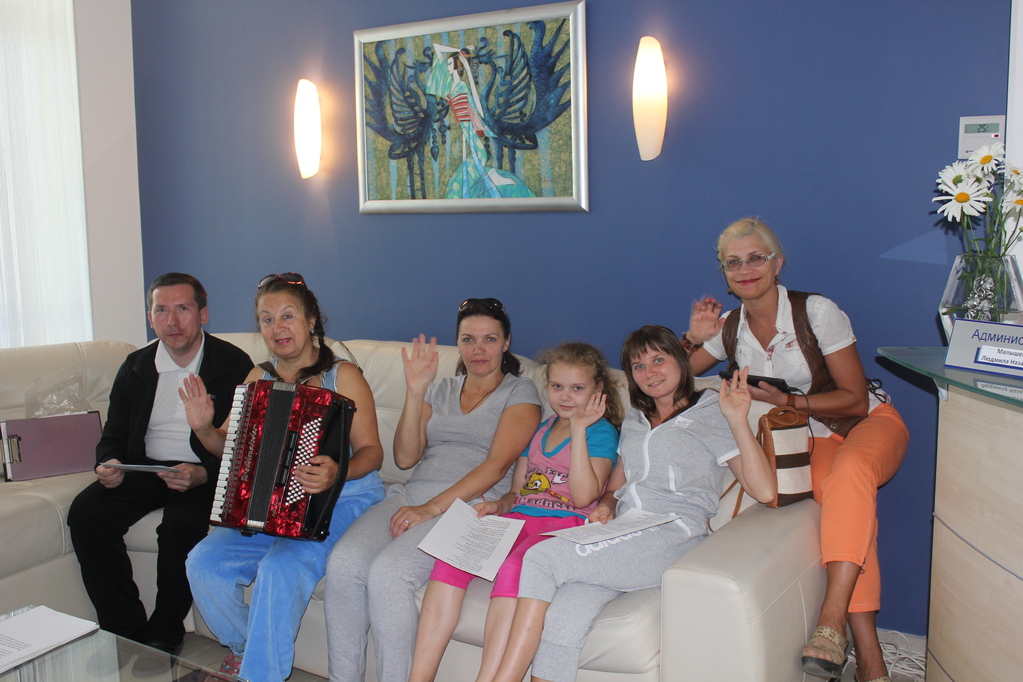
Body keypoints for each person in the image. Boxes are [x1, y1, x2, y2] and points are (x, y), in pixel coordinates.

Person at [681, 217, 910, 682]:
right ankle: (870, 660)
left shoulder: (816, 312)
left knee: (850, 475)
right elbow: (671, 378)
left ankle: (832, 620)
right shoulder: (730, 327)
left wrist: (789, 402)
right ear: (724, 273)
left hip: (868, 422)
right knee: (845, 506)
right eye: (733, 263)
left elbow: (855, 398)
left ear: (777, 263)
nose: (745, 270)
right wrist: (692, 337)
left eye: (756, 258)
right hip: (812, 440)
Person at [487, 325, 777, 682]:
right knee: (563, 615)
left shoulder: (711, 411)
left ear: (680, 360)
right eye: (638, 366)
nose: (649, 372)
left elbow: (764, 491)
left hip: (674, 533)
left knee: (541, 559)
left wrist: (737, 420)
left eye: (658, 360)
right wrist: (608, 504)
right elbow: (616, 485)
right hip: (625, 530)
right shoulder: (636, 419)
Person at [324, 298, 542, 682]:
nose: (478, 349)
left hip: (471, 507)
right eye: (468, 339)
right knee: (343, 564)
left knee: (389, 574)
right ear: (458, 343)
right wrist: (415, 391)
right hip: (411, 494)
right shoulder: (440, 389)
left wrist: (431, 508)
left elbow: (496, 467)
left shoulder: (520, 392)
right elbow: (405, 457)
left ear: (506, 342)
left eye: (490, 339)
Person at [181, 273, 386, 682]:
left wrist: (336, 472)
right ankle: (247, 650)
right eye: (267, 319)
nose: (278, 328)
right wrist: (204, 429)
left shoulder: (344, 376)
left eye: (288, 316)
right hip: (274, 505)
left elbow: (372, 452)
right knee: (202, 563)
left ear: (311, 320)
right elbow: (228, 449)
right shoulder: (257, 378)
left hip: (340, 498)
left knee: (279, 569)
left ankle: (260, 675)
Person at [67, 273, 253, 674]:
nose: (173, 320)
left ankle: (165, 633)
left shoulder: (234, 365)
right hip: (145, 466)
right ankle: (123, 630)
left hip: (206, 472)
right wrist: (109, 463)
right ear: (150, 318)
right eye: (162, 310)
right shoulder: (136, 365)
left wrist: (203, 473)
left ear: (203, 314)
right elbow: (113, 434)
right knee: (86, 513)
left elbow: (244, 446)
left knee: (181, 524)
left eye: (183, 308)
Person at [409, 342, 625, 682]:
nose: (566, 397)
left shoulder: (600, 432)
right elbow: (518, 491)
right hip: (521, 518)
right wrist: (499, 505)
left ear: (597, 390)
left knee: (516, 567)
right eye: (557, 386)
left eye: (577, 388)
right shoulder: (541, 429)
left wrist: (579, 429)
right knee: (453, 556)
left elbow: (584, 496)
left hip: (565, 525)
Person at [424, 44, 535, 200]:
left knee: (480, 157)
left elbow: (476, 105)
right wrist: (458, 50)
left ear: (456, 66)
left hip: (470, 129)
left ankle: (494, 179)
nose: (447, 67)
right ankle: (492, 177)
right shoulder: (450, 86)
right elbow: (437, 47)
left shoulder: (462, 86)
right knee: (474, 164)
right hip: (463, 132)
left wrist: (468, 70)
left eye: (450, 64)